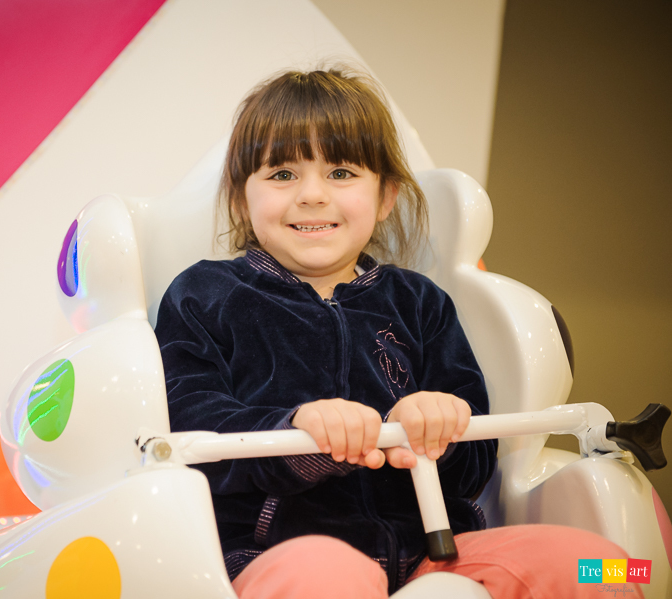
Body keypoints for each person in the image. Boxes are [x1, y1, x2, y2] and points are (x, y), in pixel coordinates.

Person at [153, 66, 639, 598]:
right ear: (241, 197)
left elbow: (478, 463)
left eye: (341, 173)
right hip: (276, 555)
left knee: (608, 566)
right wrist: (297, 430)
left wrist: (444, 424)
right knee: (327, 576)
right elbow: (190, 422)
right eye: (282, 174)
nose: (312, 195)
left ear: (386, 196)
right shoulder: (205, 294)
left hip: (435, 553)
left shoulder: (420, 301)